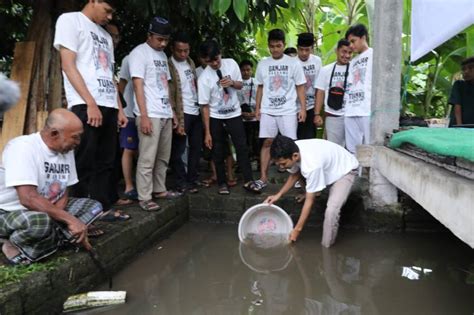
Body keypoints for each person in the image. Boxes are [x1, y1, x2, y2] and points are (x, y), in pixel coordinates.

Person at [53, 0, 128, 220]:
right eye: (108, 10)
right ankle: (76, 213)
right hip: (85, 105)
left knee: (106, 161)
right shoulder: (70, 21)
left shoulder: (105, 35)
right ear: (94, 1)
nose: (110, 17)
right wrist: (90, 103)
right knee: (82, 160)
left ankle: (101, 209)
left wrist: (120, 109)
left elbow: (108, 73)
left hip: (109, 105)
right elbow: (68, 65)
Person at [0, 109, 103, 265]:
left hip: (46, 207)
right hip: (9, 211)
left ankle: (51, 238)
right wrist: (69, 220)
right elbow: (28, 198)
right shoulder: (22, 148)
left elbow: (64, 190)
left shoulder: (65, 150)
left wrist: (60, 217)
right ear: (54, 133)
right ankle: (10, 243)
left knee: (94, 207)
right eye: (75, 137)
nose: (78, 142)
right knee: (41, 222)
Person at [264, 135, 359, 248]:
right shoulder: (293, 148)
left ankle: (326, 247)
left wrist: (297, 230)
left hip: (345, 171)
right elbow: (294, 174)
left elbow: (310, 202)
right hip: (328, 167)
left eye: (283, 164)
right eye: (278, 164)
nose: (281, 167)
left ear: (295, 156)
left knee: (331, 211)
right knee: (303, 176)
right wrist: (278, 195)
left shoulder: (312, 165)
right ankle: (312, 190)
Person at [129, 17, 182, 211]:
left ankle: (159, 189)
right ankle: (144, 196)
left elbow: (165, 86)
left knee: (162, 156)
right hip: (149, 112)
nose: (163, 44)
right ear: (149, 35)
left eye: (166, 40)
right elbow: (137, 85)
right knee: (147, 157)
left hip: (164, 112)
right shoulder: (139, 54)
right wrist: (143, 115)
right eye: (160, 39)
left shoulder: (161, 56)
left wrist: (173, 113)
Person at [197, 40, 259, 195]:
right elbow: (204, 106)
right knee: (217, 149)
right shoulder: (204, 78)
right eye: (210, 61)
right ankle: (222, 182)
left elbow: (240, 85)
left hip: (234, 113)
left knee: (241, 147)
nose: (215, 63)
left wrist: (231, 82)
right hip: (215, 116)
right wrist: (207, 132)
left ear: (220, 53)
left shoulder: (231, 64)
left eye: (217, 59)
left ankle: (248, 180)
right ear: (205, 60)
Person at [254, 28, 307, 190]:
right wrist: (257, 108)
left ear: (284, 45)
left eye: (278, 46)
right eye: (272, 46)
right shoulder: (263, 64)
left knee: (292, 145)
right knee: (267, 143)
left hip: (288, 110)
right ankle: (263, 177)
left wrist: (303, 109)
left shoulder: (293, 63)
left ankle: (298, 178)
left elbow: (300, 87)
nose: (275, 49)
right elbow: (260, 88)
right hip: (268, 110)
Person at [168, 32, 202, 193]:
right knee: (178, 150)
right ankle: (180, 181)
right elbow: (169, 92)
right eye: (179, 51)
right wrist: (175, 115)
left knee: (196, 148)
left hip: (196, 111)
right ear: (172, 49)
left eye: (186, 50)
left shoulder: (190, 62)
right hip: (182, 112)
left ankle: (192, 180)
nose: (183, 54)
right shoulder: (169, 65)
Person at [315, 39, 353, 146]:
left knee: (352, 147)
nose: (346, 55)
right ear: (337, 51)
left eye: (350, 53)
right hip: (332, 115)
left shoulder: (355, 69)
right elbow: (320, 92)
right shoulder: (325, 70)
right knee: (333, 147)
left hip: (351, 115)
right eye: (344, 52)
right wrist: (317, 114)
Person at [344, 24, 372, 154]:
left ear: (363, 37)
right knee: (352, 149)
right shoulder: (353, 61)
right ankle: (355, 173)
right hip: (351, 109)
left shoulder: (374, 54)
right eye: (349, 42)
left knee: (370, 147)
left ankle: (370, 174)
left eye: (353, 41)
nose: (351, 45)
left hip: (366, 109)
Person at [117, 54, 139, 200]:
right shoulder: (129, 59)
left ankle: (139, 183)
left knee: (139, 150)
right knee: (129, 148)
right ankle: (129, 186)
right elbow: (121, 86)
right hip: (129, 111)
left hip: (145, 113)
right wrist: (120, 111)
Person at [296, 32, 322, 139]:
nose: (304, 53)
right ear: (297, 48)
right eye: (301, 49)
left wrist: (317, 112)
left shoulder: (317, 61)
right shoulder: (292, 62)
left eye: (307, 50)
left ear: (312, 48)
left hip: (311, 106)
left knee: (310, 139)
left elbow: (319, 87)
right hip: (294, 108)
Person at [237, 59, 260, 163]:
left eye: (248, 70)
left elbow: (262, 98)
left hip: (256, 116)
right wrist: (242, 113)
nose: (246, 72)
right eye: (243, 70)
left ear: (252, 70)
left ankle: (259, 162)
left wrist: (255, 112)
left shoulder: (257, 82)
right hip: (242, 117)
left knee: (258, 141)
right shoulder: (237, 84)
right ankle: (243, 163)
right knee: (243, 141)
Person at [449, 56, 474, 126]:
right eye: (463, 69)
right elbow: (457, 106)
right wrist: (459, 126)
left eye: (471, 68)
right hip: (459, 126)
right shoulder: (459, 85)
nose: (466, 71)